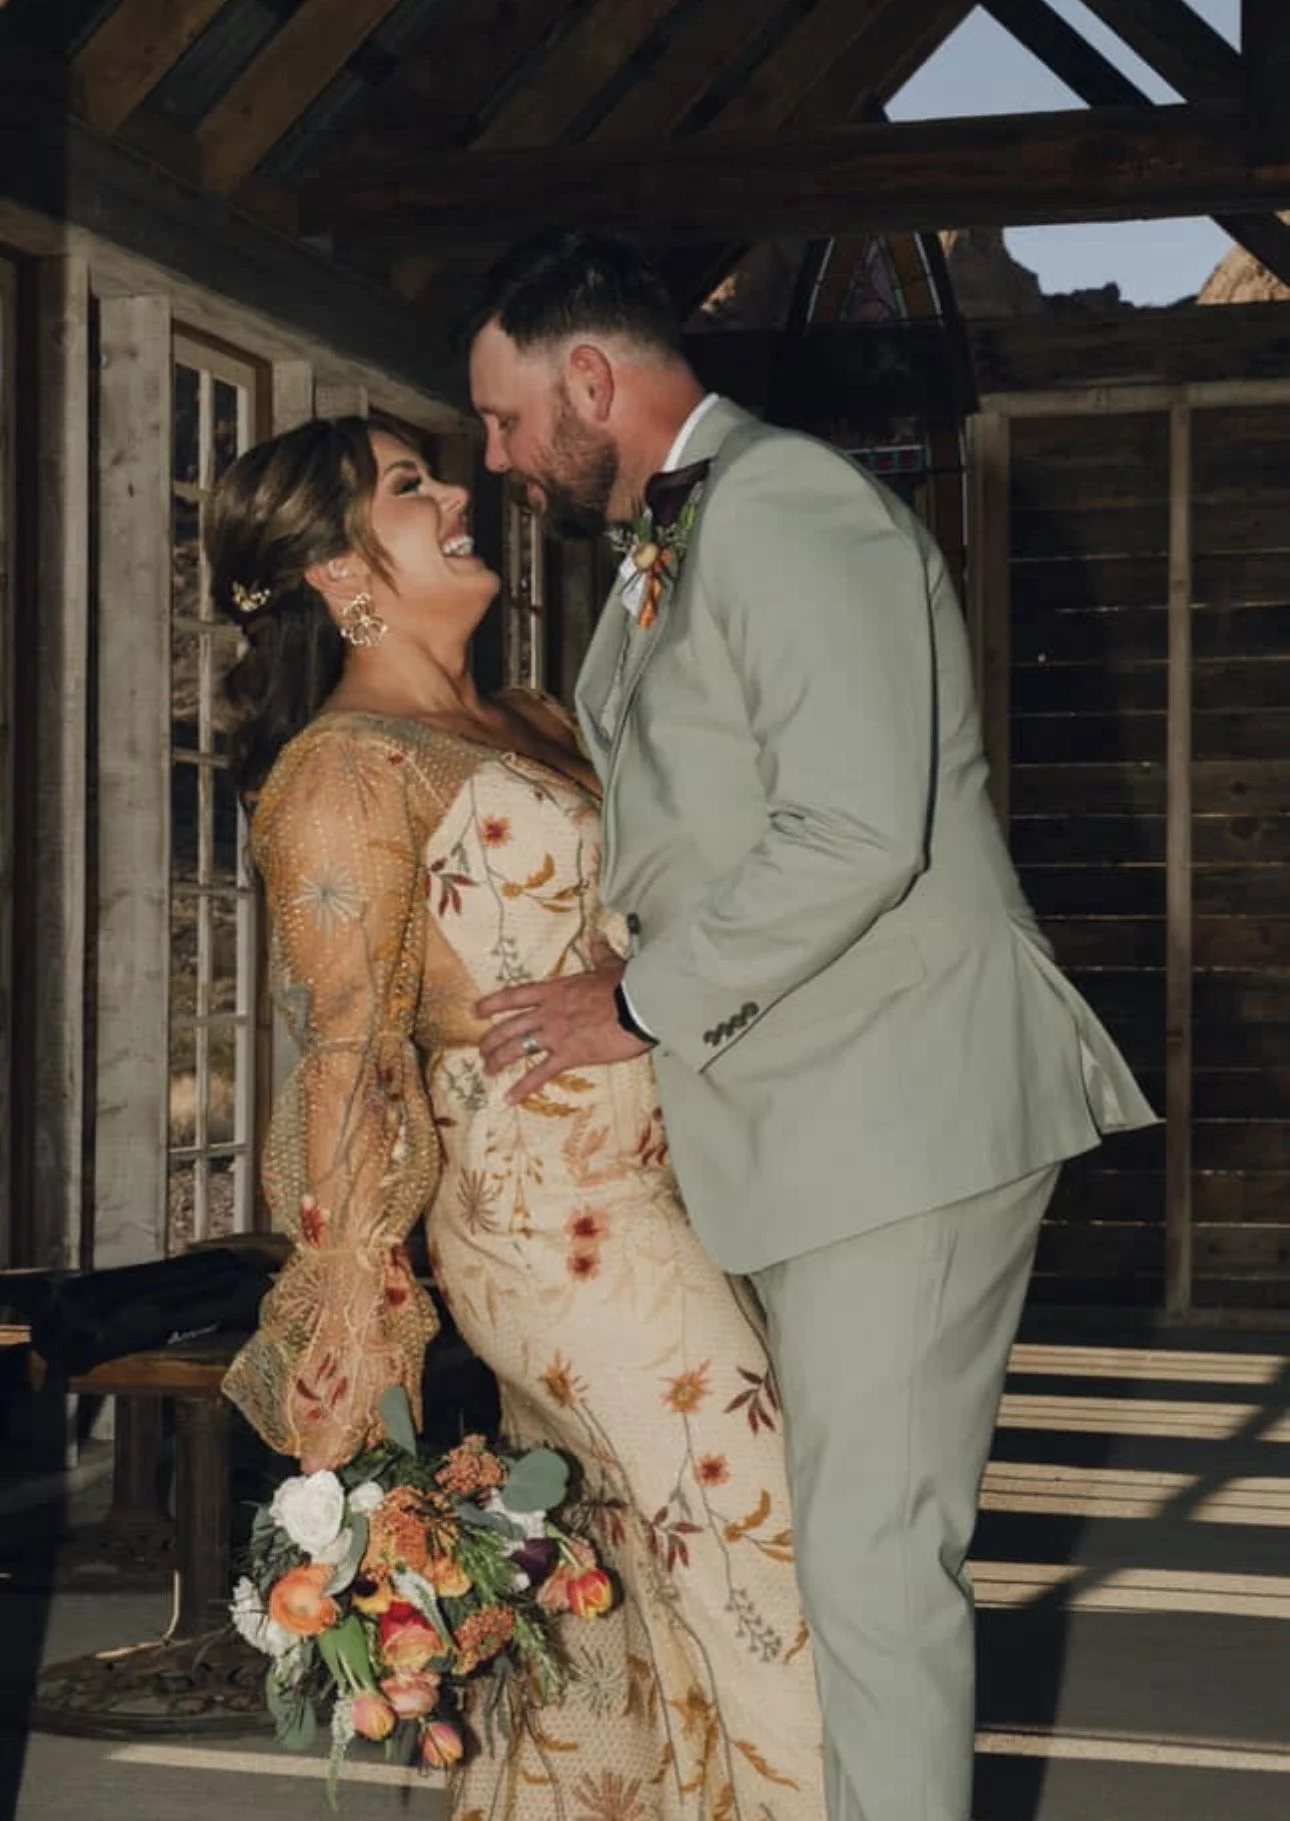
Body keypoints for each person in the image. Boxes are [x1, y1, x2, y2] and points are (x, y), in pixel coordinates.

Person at [463, 231, 1157, 1821]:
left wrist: (630, 1004)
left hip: (895, 1112)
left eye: (505, 419)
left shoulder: (793, 508)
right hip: (803, 1115)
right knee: (836, 1543)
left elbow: (856, 833)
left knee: (871, 1555)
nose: (499, 456)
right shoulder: (681, 535)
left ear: (590, 379)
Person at [209, 416, 826, 1817]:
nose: (458, 492)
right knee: (777, 1551)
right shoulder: (345, 770)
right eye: (408, 486)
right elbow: (348, 1061)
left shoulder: (530, 718)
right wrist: (351, 1386)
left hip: (661, 1198)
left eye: (441, 470)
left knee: (620, 1603)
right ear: (334, 574)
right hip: (556, 1233)